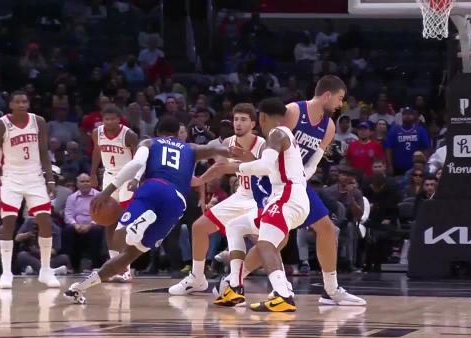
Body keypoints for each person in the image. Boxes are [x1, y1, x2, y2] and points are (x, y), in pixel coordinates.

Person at [225, 76, 366, 306]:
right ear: (328, 95)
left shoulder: (329, 126)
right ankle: (233, 282)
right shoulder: (293, 111)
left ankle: (331, 290)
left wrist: (299, 177)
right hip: (272, 180)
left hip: (295, 182)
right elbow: (272, 145)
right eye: (340, 98)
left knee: (327, 229)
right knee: (273, 241)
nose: (341, 104)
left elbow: (312, 164)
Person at [64, 116, 233, 304]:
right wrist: (235, 151)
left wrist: (107, 192)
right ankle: (79, 288)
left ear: (157, 132)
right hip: (176, 200)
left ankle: (136, 226)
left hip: (152, 187)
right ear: (179, 133)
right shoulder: (192, 148)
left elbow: (136, 164)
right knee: (133, 253)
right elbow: (219, 149)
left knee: (120, 240)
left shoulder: (150, 143)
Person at [212, 97, 310, 312]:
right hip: (290, 198)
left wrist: (231, 168)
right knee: (235, 226)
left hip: (287, 197)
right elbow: (268, 166)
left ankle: (283, 294)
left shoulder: (277, 133)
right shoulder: (284, 136)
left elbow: (264, 166)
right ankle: (235, 288)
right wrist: (244, 161)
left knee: (265, 244)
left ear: (263, 117)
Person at [168, 103, 265, 295]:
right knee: (199, 227)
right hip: (241, 195)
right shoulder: (228, 142)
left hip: (261, 198)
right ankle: (197, 278)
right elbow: (220, 167)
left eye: (243, 120)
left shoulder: (263, 145)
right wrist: (200, 180)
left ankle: (246, 280)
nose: (238, 123)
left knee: (267, 242)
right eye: (236, 119)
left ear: (253, 123)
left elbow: (265, 170)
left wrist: (246, 158)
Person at [0, 90, 60, 289]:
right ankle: (7, 273)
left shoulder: (38, 122)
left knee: (45, 221)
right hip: (11, 178)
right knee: (8, 223)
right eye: (17, 102)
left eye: (24, 101)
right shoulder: (1, 124)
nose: (21, 104)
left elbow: (44, 151)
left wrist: (50, 179)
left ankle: (45, 270)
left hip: (35, 177)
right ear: (10, 105)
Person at [90, 105, 138, 281]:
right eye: (106, 119)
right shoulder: (97, 133)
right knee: (109, 221)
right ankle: (113, 266)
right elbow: (96, 151)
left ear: (119, 119)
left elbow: (139, 160)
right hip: (109, 177)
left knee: (125, 222)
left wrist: (137, 179)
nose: (109, 122)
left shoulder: (129, 135)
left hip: (127, 178)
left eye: (113, 119)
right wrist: (93, 173)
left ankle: (126, 268)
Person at [385, 107, 430, 176]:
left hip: (415, 167)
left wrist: (425, 164)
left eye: (410, 114)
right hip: (397, 168)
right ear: (402, 116)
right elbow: (388, 148)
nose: (407, 116)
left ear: (414, 116)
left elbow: (425, 149)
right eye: (405, 114)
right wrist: (390, 165)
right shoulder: (394, 130)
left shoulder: (421, 130)